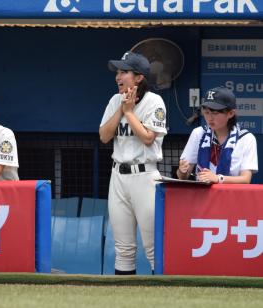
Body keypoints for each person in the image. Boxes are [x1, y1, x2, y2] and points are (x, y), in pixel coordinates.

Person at [99, 51, 167, 275]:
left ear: (138, 77)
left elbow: (148, 138)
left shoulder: (154, 101)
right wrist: (121, 108)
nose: (118, 76)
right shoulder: (115, 100)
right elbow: (104, 136)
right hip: (118, 176)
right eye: (117, 72)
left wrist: (129, 113)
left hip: (145, 176)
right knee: (124, 248)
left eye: (124, 72)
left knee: (153, 247)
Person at [177, 87, 258, 183]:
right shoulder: (198, 133)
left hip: (232, 196)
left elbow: (245, 179)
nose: (209, 118)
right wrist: (182, 171)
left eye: (215, 113)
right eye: (206, 112)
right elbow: (182, 177)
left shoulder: (246, 138)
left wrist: (218, 178)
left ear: (231, 113)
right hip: (202, 195)